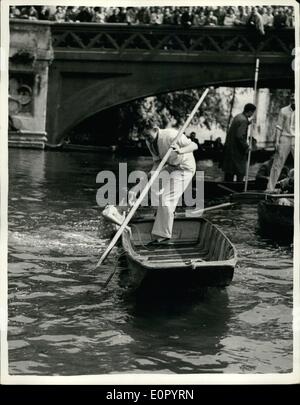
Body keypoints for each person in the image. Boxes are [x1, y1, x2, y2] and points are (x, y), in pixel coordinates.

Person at [129, 121, 198, 244]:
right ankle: (159, 213)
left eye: (148, 136)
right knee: (151, 185)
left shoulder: (171, 135)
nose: (147, 139)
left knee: (166, 199)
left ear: (155, 129)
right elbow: (157, 161)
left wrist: (180, 150)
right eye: (145, 137)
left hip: (184, 168)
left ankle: (164, 236)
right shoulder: (149, 142)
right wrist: (151, 174)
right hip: (170, 166)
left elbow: (194, 146)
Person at [266, 93, 295, 191]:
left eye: (295, 97)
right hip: (285, 138)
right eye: (292, 97)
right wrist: (277, 141)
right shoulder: (283, 110)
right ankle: (270, 188)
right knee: (277, 164)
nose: (293, 98)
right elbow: (279, 127)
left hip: (297, 138)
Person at [222, 103, 256, 182]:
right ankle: (239, 189)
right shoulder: (244, 120)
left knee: (229, 171)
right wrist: (247, 146)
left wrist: (248, 123)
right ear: (250, 111)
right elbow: (239, 136)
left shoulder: (238, 117)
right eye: (253, 112)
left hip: (230, 149)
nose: (252, 114)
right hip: (237, 151)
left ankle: (227, 187)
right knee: (240, 172)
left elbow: (238, 128)